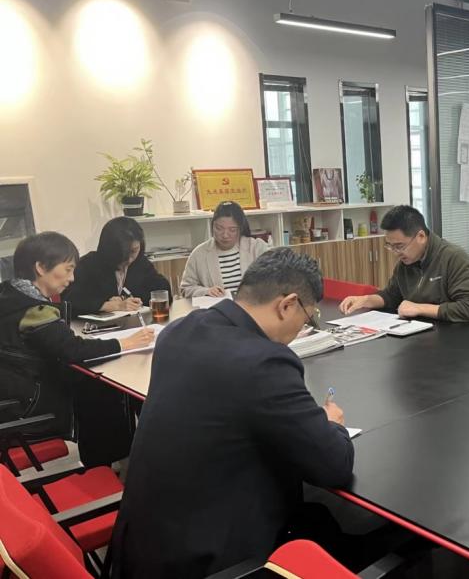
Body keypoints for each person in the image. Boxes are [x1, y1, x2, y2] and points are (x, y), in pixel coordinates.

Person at [110, 248, 354, 579]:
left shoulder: (179, 330)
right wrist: (332, 425)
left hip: (141, 547)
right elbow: (334, 465)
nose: (302, 329)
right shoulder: (265, 363)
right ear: (287, 305)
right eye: (308, 319)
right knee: (343, 530)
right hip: (211, 561)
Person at [0, 232, 155, 465]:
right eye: (68, 269)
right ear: (41, 268)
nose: (72, 278)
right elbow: (73, 350)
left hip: (15, 396)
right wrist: (125, 343)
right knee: (99, 388)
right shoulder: (32, 309)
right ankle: (110, 465)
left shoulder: (11, 295)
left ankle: (114, 460)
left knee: (95, 384)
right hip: (26, 408)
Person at [338, 205, 469, 323]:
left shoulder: (453, 258)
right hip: (419, 333)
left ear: (421, 236)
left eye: (399, 246)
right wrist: (365, 300)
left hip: (457, 337)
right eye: (390, 246)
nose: (396, 252)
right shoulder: (405, 263)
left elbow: (468, 308)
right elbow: (391, 296)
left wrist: (419, 308)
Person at [63, 217, 170, 316]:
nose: (129, 259)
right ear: (109, 249)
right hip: (92, 327)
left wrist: (128, 299)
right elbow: (70, 301)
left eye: (134, 251)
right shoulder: (89, 264)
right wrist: (105, 305)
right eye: (124, 253)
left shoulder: (140, 263)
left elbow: (163, 291)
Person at [180, 200, 269, 298]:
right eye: (219, 228)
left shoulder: (257, 248)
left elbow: (274, 280)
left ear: (240, 229)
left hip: (252, 305)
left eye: (232, 230)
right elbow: (186, 288)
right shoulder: (199, 254)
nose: (225, 235)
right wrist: (206, 291)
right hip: (217, 306)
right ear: (212, 226)